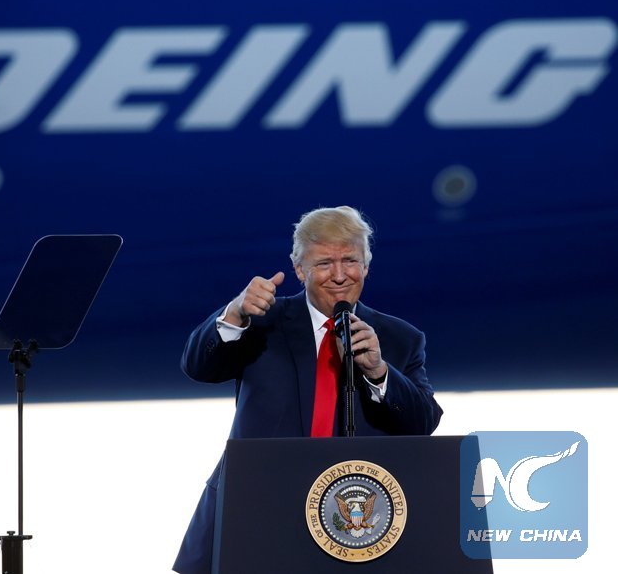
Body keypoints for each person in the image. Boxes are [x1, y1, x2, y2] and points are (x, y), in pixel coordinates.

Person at [172, 206, 443, 574]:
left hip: (353, 529)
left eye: (350, 260)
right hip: (255, 512)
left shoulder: (400, 339)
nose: (339, 275)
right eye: (323, 263)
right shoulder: (261, 321)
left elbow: (423, 423)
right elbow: (198, 367)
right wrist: (234, 314)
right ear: (299, 269)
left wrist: (379, 371)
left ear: (366, 265)